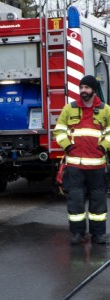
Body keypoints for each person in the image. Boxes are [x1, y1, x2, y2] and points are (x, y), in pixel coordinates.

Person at [54, 75, 110, 245]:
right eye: (81, 87)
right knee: (75, 203)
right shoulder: (69, 109)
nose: (83, 91)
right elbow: (59, 131)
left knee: (98, 204)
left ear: (93, 89)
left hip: (97, 166)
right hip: (75, 166)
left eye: (87, 88)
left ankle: (98, 234)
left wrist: (104, 146)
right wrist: (67, 146)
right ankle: (77, 233)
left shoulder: (105, 109)